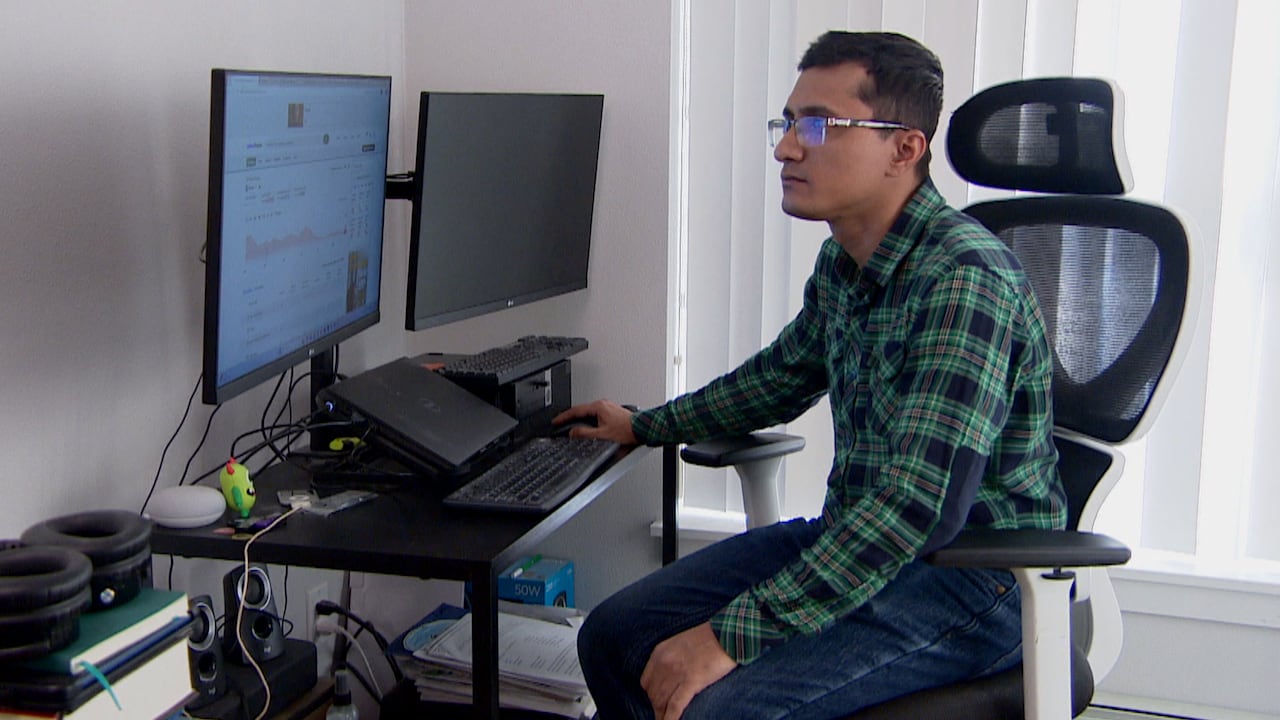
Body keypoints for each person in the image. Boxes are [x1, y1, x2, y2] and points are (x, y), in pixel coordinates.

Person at [555, 30, 1067, 720]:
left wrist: (729, 636)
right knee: (614, 636)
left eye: (819, 126)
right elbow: (780, 378)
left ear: (905, 149)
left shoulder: (964, 279)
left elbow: (918, 507)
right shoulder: (845, 264)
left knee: (717, 709)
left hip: (974, 580)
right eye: (789, 122)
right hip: (861, 538)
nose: (787, 148)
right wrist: (644, 425)